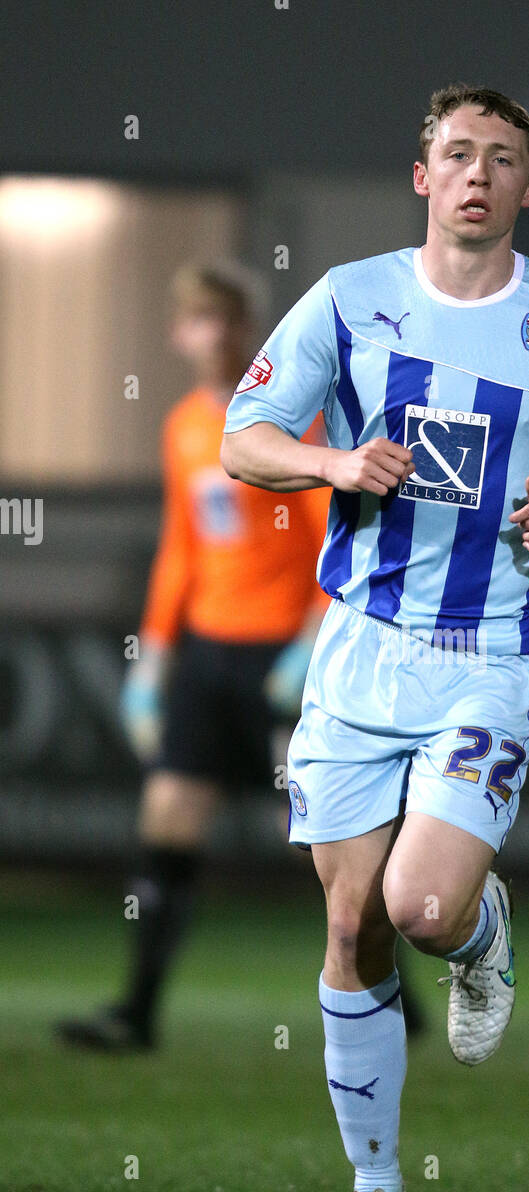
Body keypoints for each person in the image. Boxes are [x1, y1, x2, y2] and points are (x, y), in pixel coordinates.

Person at [221, 84, 529, 1192]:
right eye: (456, 153)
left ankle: (476, 935)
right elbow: (242, 437)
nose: (476, 173)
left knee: (419, 908)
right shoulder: (349, 298)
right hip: (359, 653)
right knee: (353, 922)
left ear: (527, 186)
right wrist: (328, 463)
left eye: (500, 158)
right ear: (422, 176)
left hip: (490, 655)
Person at [56, 261, 331, 1052]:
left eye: (227, 319)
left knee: (327, 842)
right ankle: (138, 1012)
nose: (214, 334)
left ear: (248, 330)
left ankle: (393, 994)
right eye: (199, 320)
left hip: (281, 658)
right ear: (181, 333)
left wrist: (308, 648)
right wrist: (152, 663)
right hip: (208, 658)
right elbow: (180, 548)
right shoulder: (181, 425)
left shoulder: (288, 423)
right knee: (167, 822)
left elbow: (327, 546)